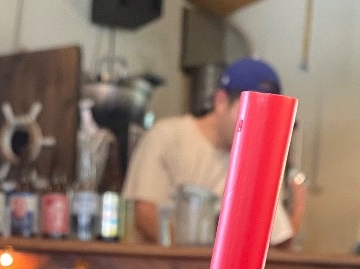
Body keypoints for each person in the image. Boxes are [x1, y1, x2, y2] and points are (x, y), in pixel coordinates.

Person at [122, 57, 307, 248]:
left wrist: (299, 205)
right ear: (221, 101)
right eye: (252, 112)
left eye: (267, 117)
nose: (259, 126)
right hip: (164, 266)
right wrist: (204, 258)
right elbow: (145, 216)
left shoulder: (257, 162)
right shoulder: (167, 137)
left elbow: (275, 240)